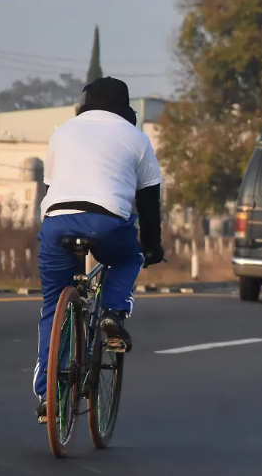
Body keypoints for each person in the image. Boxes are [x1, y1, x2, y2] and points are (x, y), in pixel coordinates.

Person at [33, 77, 166, 422]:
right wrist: (151, 249)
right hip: (107, 223)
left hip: (57, 223)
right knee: (128, 257)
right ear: (124, 109)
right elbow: (149, 204)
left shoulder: (62, 132)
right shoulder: (136, 139)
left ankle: (48, 393)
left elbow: (48, 188)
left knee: (52, 304)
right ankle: (112, 313)